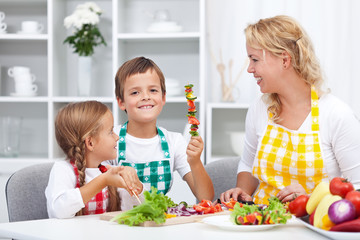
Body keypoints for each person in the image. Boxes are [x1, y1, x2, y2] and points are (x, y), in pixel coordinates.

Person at [220, 15, 360, 205]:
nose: (250, 69)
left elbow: (357, 190)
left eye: (254, 59)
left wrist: (310, 200)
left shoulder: (337, 115)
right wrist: (242, 191)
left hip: (312, 227)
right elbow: (248, 163)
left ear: (285, 60)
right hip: (262, 223)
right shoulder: (260, 108)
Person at [105, 56, 214, 201]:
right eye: (135, 92)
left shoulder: (174, 142)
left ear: (163, 98)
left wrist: (195, 162)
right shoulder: (111, 139)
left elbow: (205, 197)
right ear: (121, 102)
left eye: (153, 90)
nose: (145, 97)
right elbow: (95, 183)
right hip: (118, 221)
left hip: (158, 221)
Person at [46, 101, 143, 218]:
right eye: (110, 132)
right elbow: (59, 211)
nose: (117, 137)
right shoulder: (63, 170)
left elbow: (134, 209)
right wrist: (103, 181)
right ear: (90, 142)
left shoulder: (109, 170)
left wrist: (135, 184)